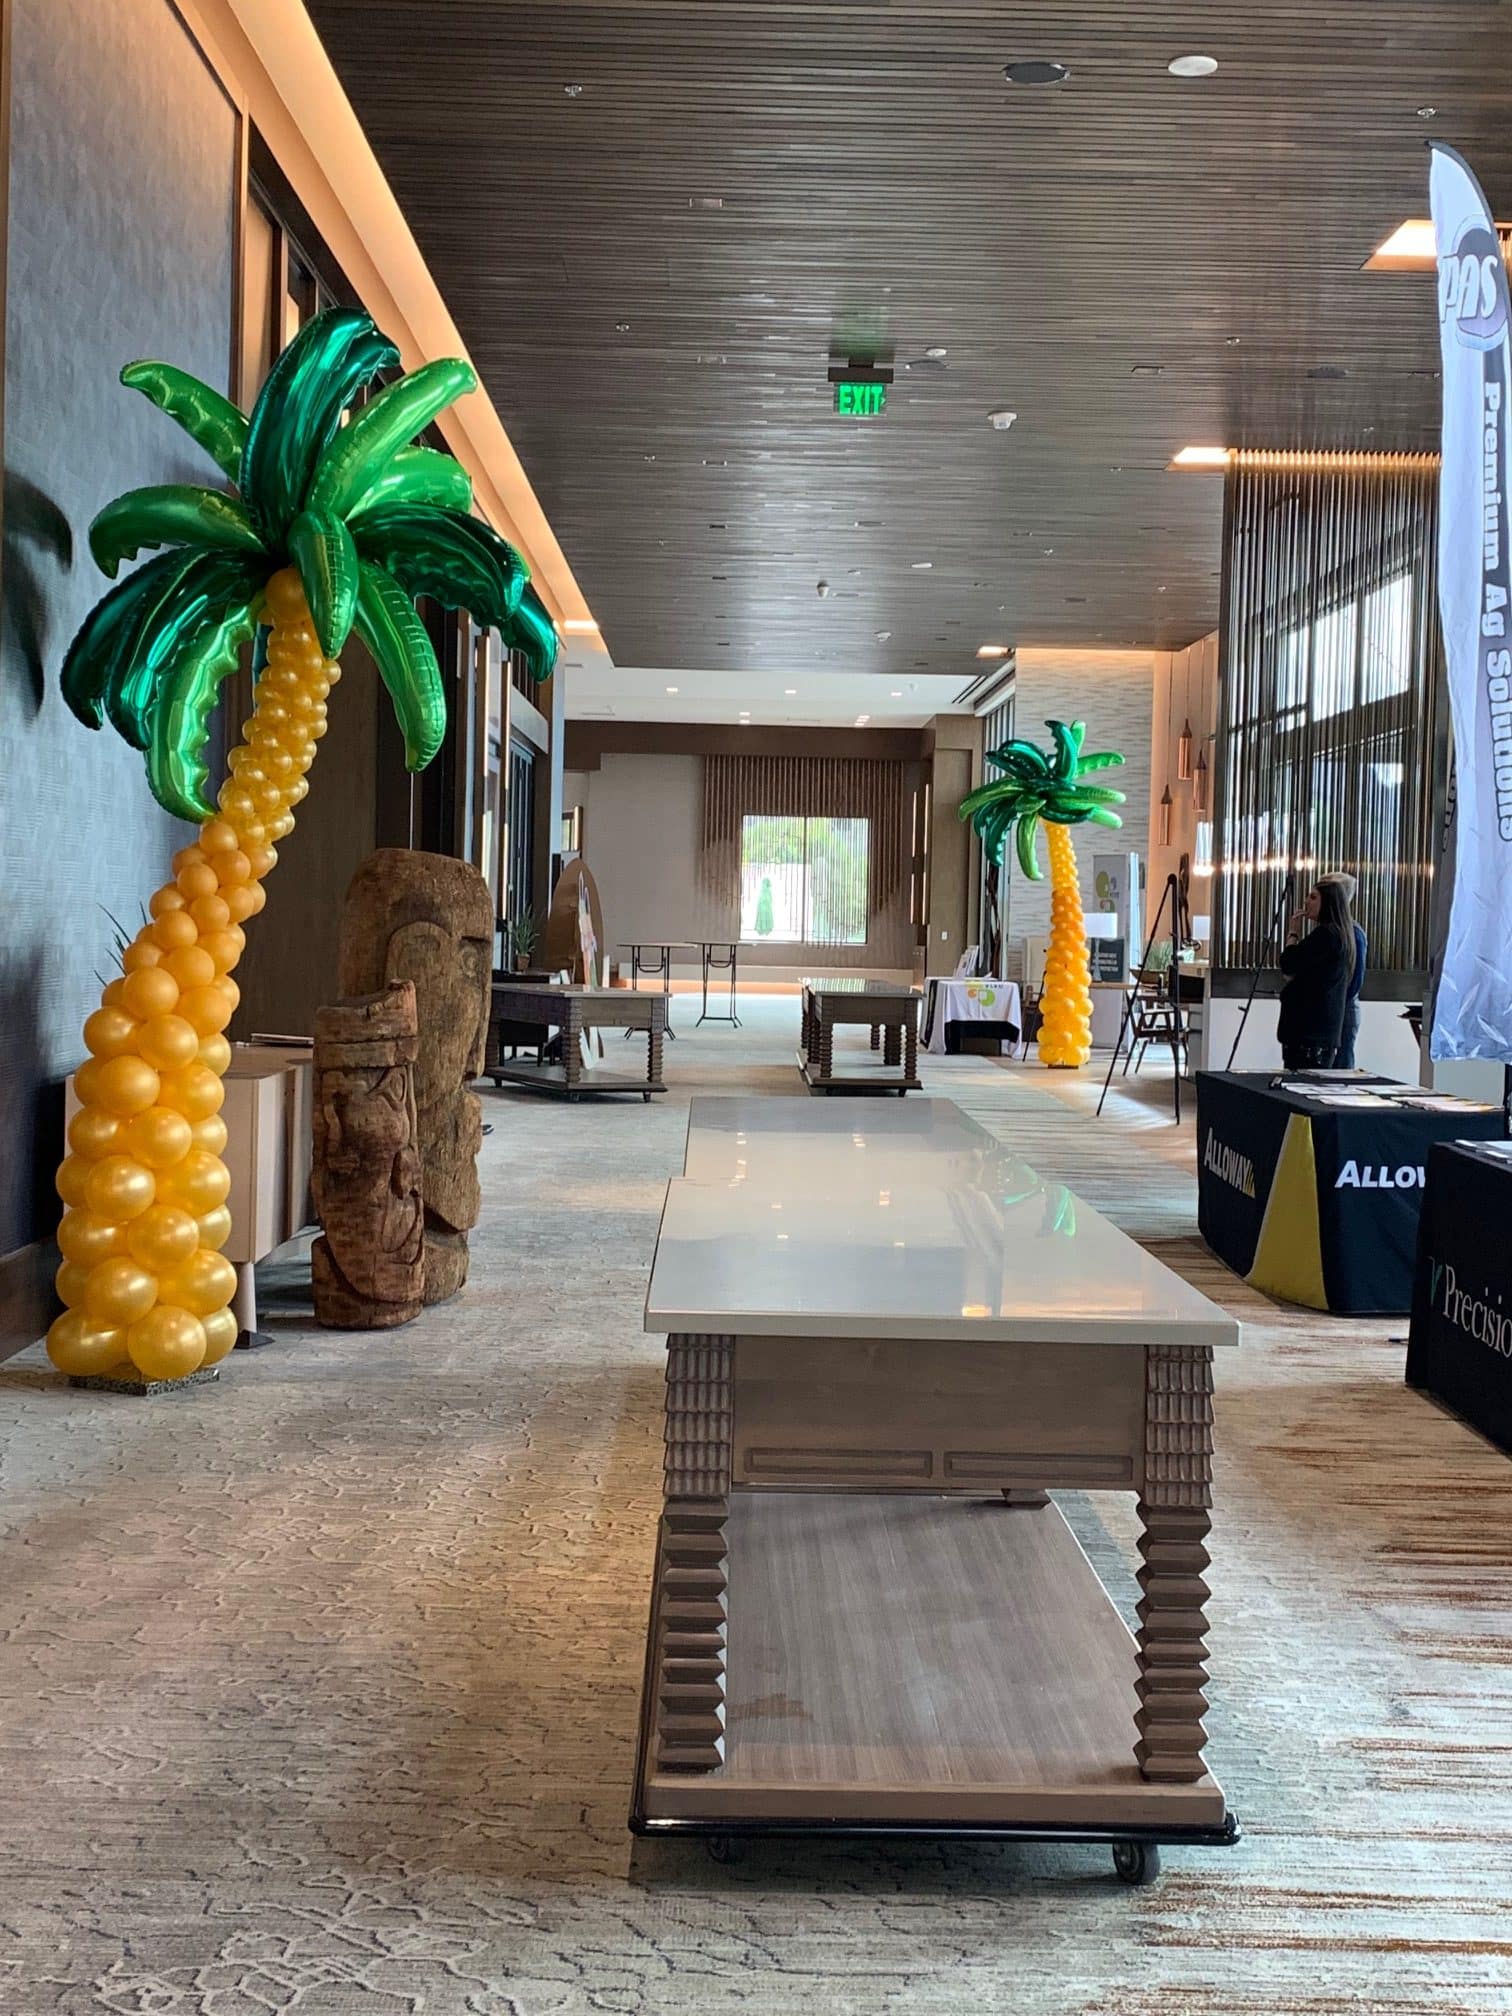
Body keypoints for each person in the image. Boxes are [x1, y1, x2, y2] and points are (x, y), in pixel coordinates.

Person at [1277, 876, 1356, 1070]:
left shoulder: (1326, 936)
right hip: (1317, 1032)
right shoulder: (1340, 934)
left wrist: (1293, 934)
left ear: (1328, 903)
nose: (1306, 902)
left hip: (1310, 1034)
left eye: (1313, 897)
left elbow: (1289, 964)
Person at [1317, 871, 1367, 1068]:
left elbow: (1355, 980)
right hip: (1331, 1007)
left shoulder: (1354, 933)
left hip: (1343, 1009)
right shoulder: (1328, 931)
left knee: (1341, 1068)